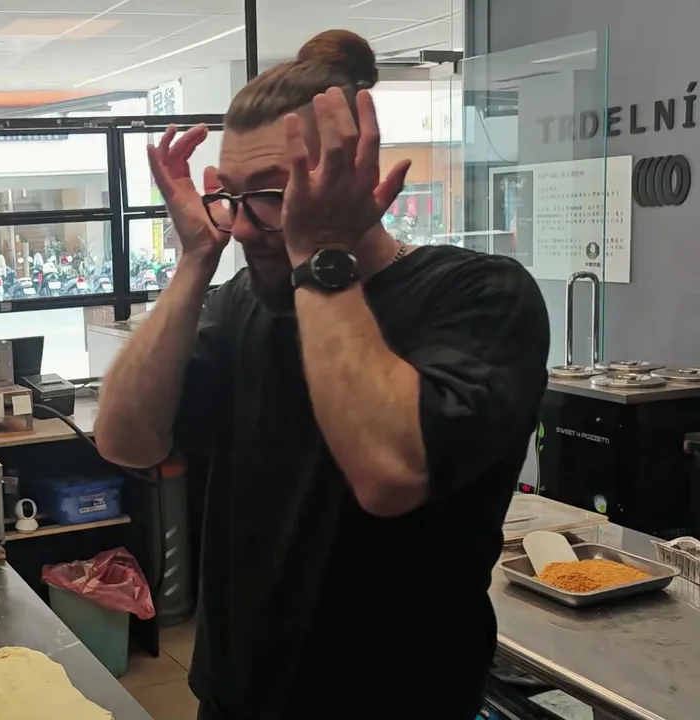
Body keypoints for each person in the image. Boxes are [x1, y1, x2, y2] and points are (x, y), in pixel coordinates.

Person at [94, 29, 550, 719]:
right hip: (236, 700)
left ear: (352, 175)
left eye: (271, 195)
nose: (242, 227)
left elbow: (389, 474)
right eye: (232, 196)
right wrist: (193, 262)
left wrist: (322, 256)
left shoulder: (477, 295)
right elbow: (127, 440)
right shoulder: (243, 303)